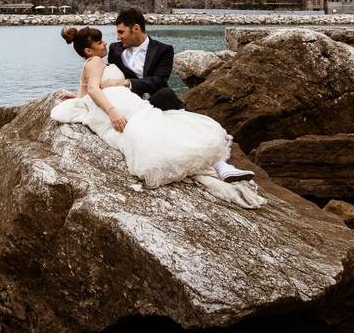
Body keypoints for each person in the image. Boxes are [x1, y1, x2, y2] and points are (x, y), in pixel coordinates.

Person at [53, 26, 263, 209]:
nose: (105, 42)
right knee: (167, 129)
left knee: (164, 129)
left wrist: (76, 97)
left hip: (126, 103)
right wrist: (112, 112)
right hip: (121, 107)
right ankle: (218, 166)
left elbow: (84, 92)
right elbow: (93, 89)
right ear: (89, 50)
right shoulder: (97, 61)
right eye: (99, 42)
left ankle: (218, 167)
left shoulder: (91, 63)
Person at [103, 8, 184, 111]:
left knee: (167, 93)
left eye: (121, 32)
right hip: (129, 102)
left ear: (136, 28)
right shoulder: (114, 49)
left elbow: (159, 81)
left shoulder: (164, 50)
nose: (118, 37)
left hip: (156, 101)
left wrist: (126, 82)